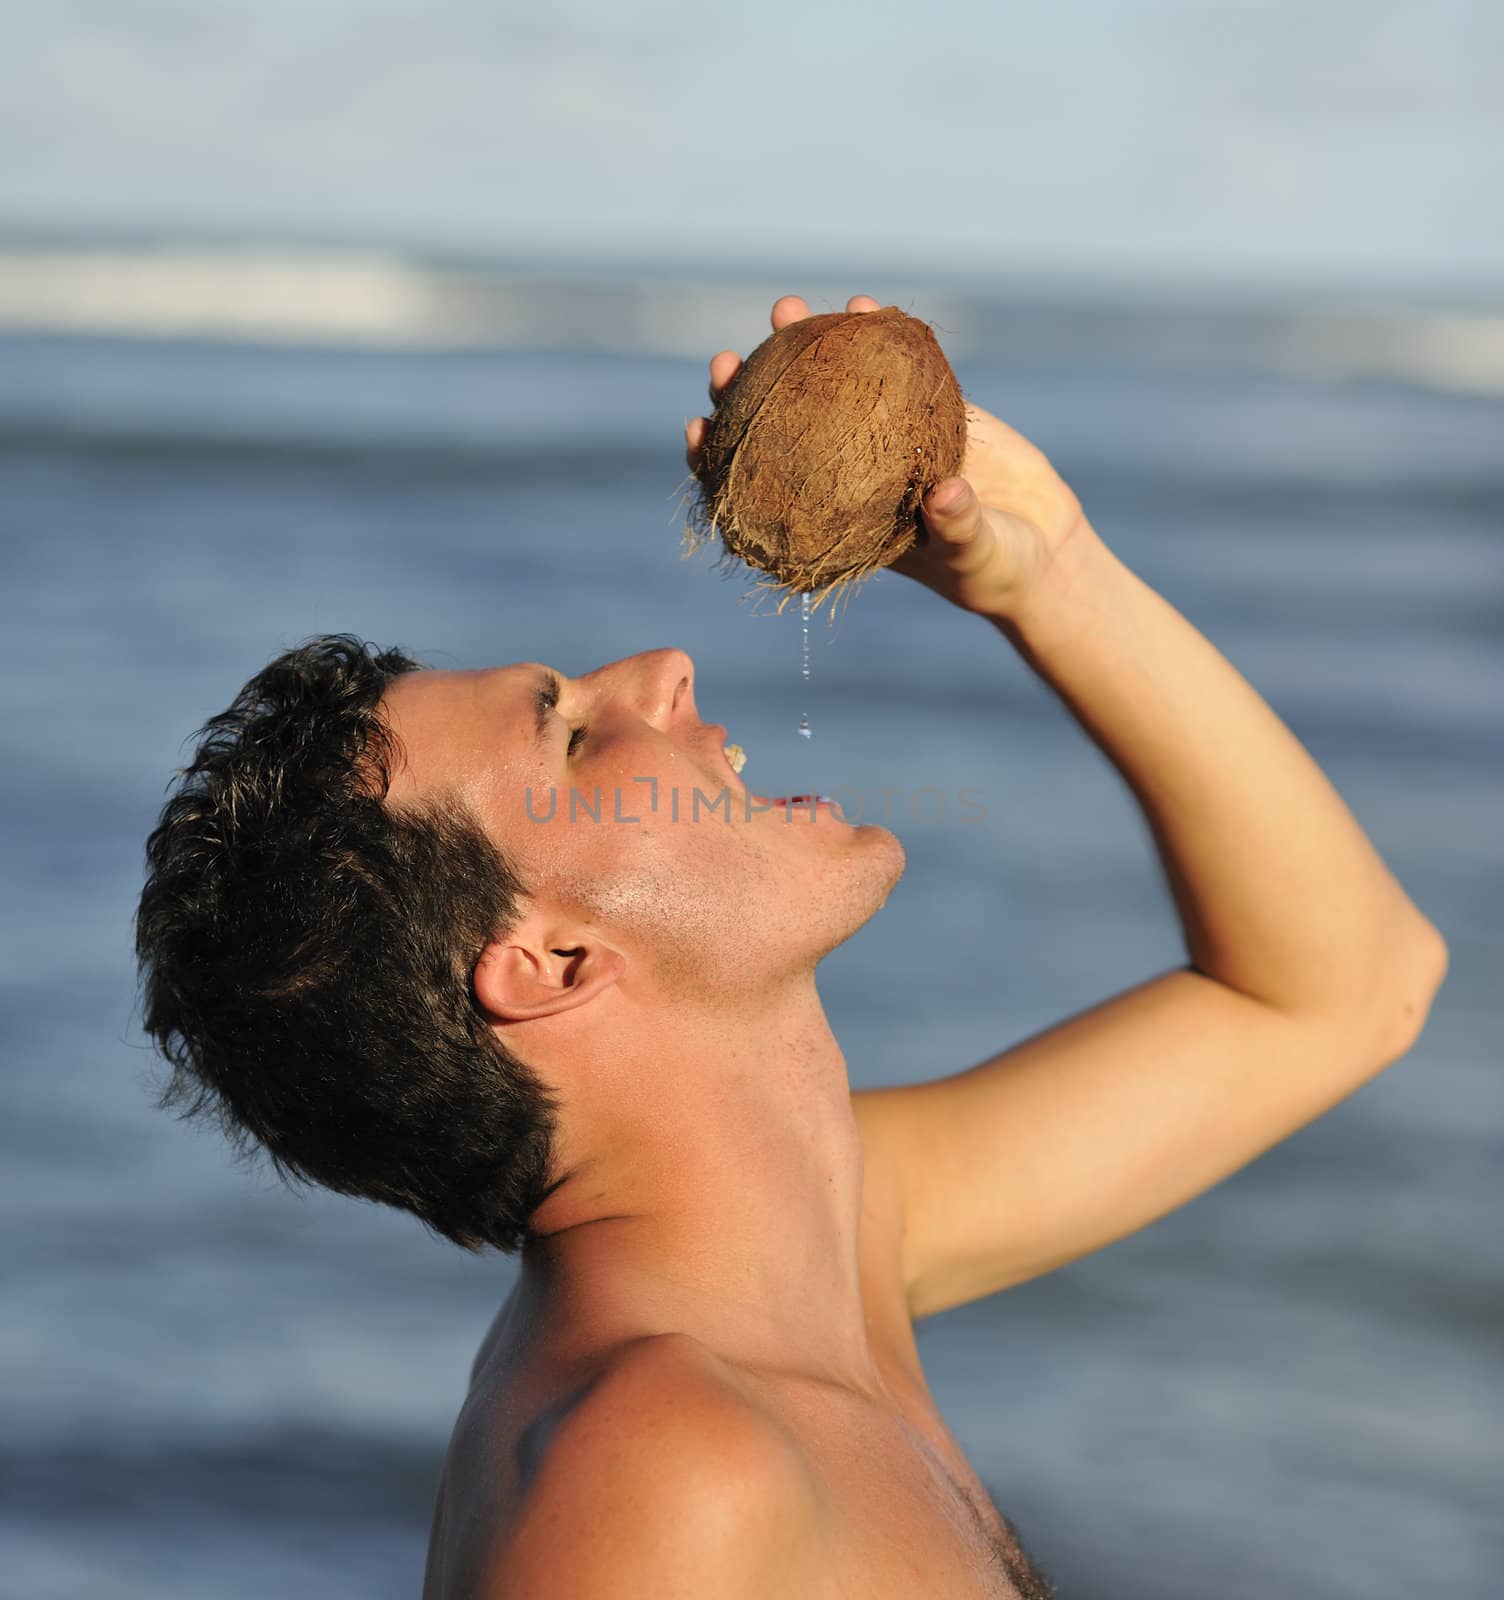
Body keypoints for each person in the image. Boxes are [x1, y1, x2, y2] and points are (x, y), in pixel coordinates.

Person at [135, 292, 1448, 1599]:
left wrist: (1049, 573)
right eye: (576, 736)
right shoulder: (660, 1469)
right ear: (551, 964)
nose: (663, 667)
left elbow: (1346, 990)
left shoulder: (832, 1242)